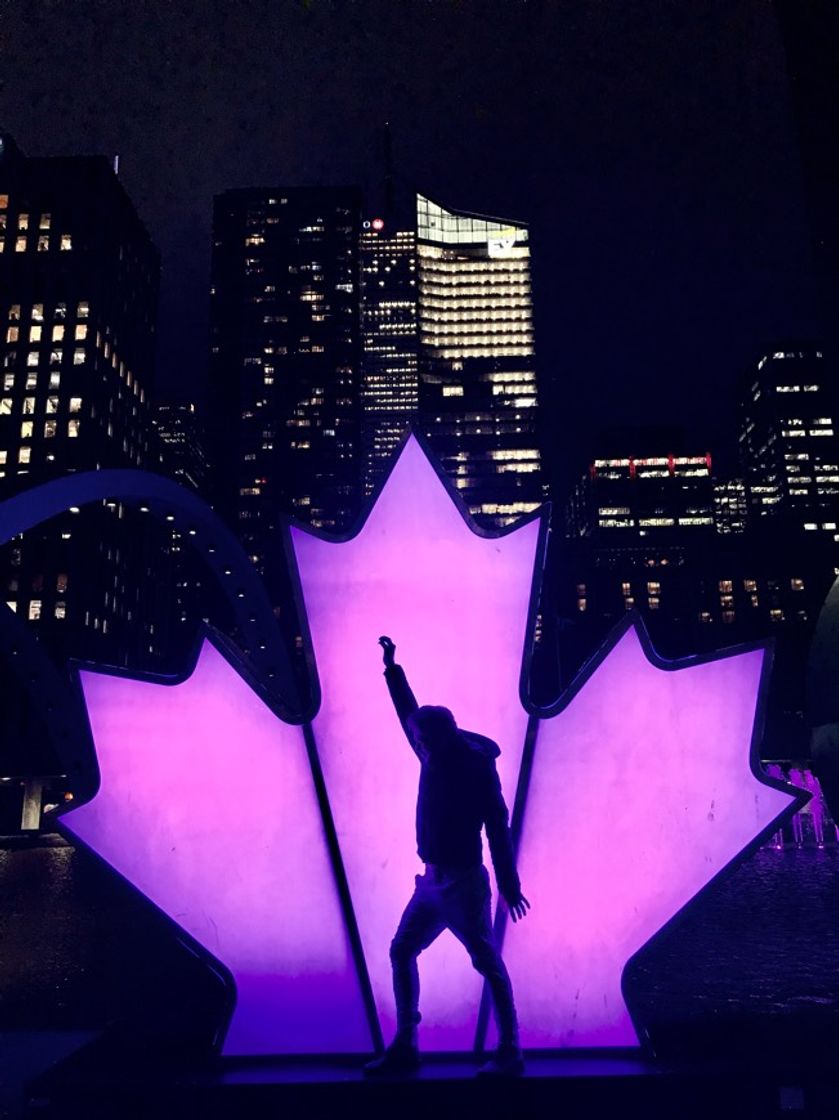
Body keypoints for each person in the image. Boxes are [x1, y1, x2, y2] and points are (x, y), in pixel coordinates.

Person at [364, 635, 530, 1079]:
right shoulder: (431, 751)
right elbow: (408, 714)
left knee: (487, 962)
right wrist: (392, 669)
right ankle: (407, 1044)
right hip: (433, 881)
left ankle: (511, 1049)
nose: (414, 741)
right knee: (403, 951)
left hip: (462, 885)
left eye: (420, 738)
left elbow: (498, 830)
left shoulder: (474, 770)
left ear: (438, 738)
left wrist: (509, 885)